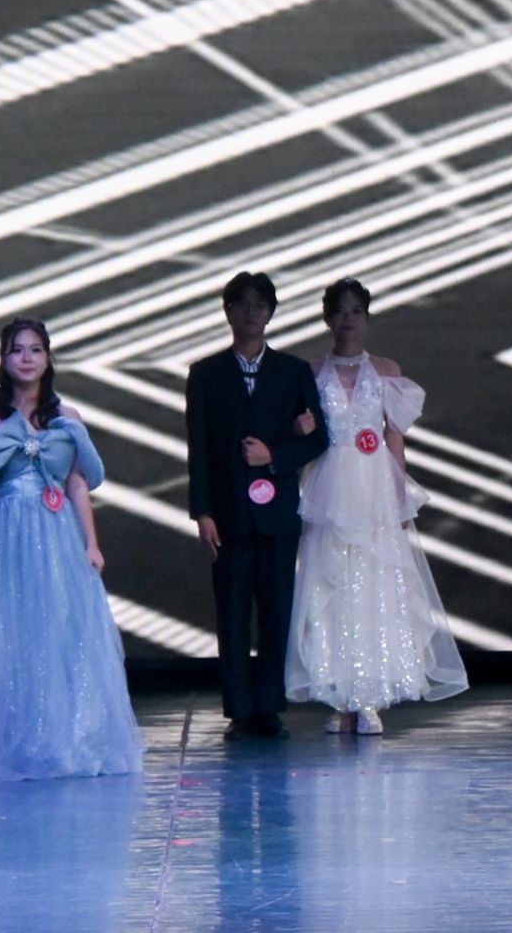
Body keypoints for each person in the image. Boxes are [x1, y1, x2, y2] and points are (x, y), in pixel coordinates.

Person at [0, 319, 143, 781]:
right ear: (3, 358)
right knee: (1, 631)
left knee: (57, 629)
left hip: (56, 531)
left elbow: (78, 482)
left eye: (35, 350)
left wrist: (92, 543)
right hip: (3, 532)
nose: (26, 358)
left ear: (48, 357)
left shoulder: (67, 417)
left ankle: (58, 738)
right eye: (16, 350)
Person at [286, 278, 466, 736]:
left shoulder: (386, 370)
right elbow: (301, 437)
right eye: (340, 311)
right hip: (329, 486)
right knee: (331, 586)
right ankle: (340, 696)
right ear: (326, 318)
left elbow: (394, 439)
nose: (348, 319)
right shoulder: (309, 372)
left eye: (355, 311)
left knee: (375, 584)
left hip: (374, 488)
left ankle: (369, 697)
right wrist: (301, 430)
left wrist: (401, 497)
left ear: (366, 317)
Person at [186, 273, 330, 741]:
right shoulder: (206, 373)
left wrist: (275, 457)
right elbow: (199, 447)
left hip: (278, 514)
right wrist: (202, 512)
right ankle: (239, 710)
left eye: (260, 305)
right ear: (228, 310)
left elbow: (320, 439)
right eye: (242, 304)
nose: (251, 313)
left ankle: (269, 706)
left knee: (275, 611)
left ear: (271, 313)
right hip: (228, 513)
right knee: (231, 613)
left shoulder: (293, 371)